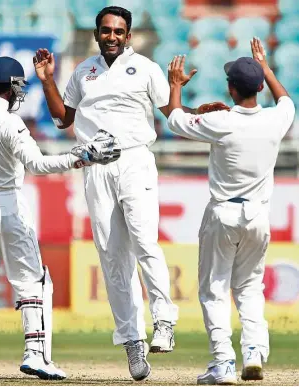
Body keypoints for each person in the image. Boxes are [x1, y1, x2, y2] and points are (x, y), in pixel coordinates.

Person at [33, 5, 229, 381]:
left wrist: (195, 111)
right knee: (111, 256)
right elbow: (62, 120)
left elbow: (170, 113)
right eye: (106, 30)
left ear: (128, 34)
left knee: (144, 242)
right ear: (96, 34)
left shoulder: (147, 68)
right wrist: (46, 81)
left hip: (135, 161)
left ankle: (165, 320)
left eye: (119, 31)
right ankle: (132, 341)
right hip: (95, 168)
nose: (112, 36)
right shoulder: (84, 71)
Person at [0, 34, 120, 381]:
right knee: (32, 284)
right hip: (7, 206)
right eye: (18, 86)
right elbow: (39, 166)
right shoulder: (11, 123)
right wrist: (84, 155)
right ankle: (36, 355)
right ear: (10, 88)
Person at [166, 37, 295, 385]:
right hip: (257, 216)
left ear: (232, 88)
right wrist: (266, 67)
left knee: (214, 289)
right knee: (250, 288)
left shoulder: (223, 121)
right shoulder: (276, 119)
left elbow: (175, 121)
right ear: (257, 87)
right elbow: (285, 98)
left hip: (223, 213)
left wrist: (175, 85)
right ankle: (254, 352)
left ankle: (223, 363)